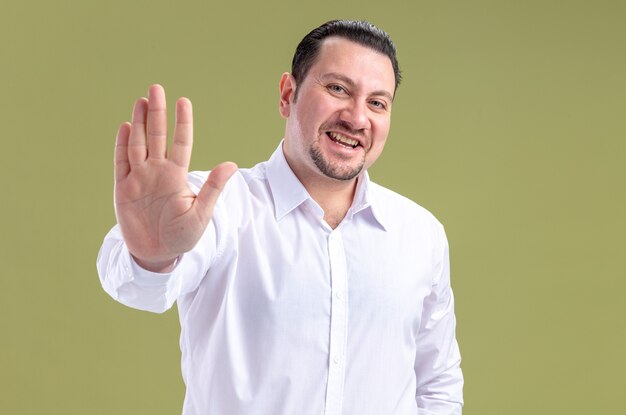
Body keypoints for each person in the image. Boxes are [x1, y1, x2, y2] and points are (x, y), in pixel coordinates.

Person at [97, 20, 463, 415]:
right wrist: (153, 258)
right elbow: (137, 289)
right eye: (338, 89)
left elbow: (437, 382)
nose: (357, 119)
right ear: (288, 94)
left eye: (377, 102)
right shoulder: (216, 205)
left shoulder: (420, 233)